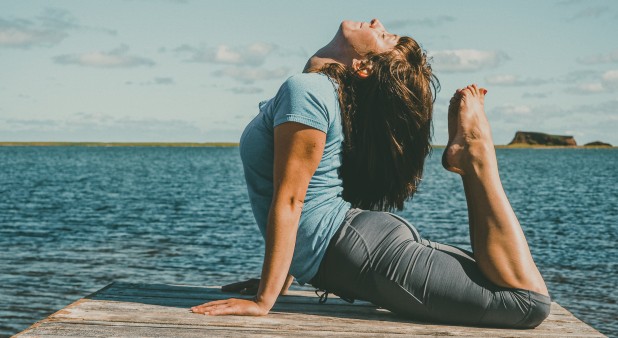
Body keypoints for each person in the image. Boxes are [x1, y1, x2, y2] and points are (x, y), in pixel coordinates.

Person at [190, 19, 551, 328]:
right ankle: (472, 157)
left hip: (359, 250)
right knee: (505, 284)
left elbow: (291, 199)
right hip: (358, 244)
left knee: (526, 304)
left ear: (363, 66)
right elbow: (295, 195)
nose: (377, 21)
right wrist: (280, 277)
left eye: (384, 36)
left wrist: (263, 301)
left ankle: (476, 157)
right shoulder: (315, 90)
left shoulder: (307, 90)